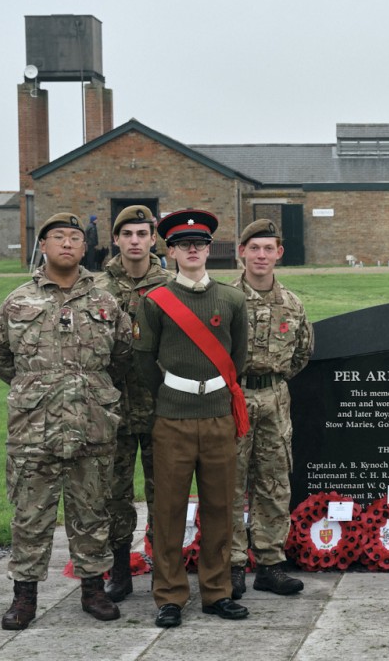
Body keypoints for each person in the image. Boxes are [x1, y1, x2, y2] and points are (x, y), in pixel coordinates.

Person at [0, 212, 131, 630]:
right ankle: (24, 596)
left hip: (92, 423)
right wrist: (38, 389)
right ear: (43, 246)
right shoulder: (17, 302)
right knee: (30, 515)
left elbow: (120, 356)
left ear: (85, 249)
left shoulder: (105, 301)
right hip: (35, 429)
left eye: (74, 238)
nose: (66, 243)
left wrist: (88, 388)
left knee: (92, 511)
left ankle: (93, 590)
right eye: (57, 237)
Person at [133, 210, 250, 628]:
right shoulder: (156, 302)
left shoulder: (232, 299)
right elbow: (145, 361)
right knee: (168, 511)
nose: (193, 250)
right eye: (184, 245)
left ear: (209, 249)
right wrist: (172, 394)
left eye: (199, 243)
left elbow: (238, 358)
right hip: (174, 419)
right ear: (171, 251)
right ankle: (169, 596)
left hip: (218, 416)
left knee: (220, 507)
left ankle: (216, 592)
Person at [230, 219, 314, 598]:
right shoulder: (224, 299)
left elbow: (301, 354)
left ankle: (269, 564)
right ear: (241, 252)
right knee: (229, 483)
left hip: (275, 401)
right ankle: (231, 565)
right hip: (232, 398)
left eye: (268, 248)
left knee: (274, 483)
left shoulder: (292, 304)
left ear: (279, 253)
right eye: (254, 248)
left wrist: (271, 384)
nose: (261, 255)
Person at [94, 205, 174, 601]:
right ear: (116, 239)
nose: (135, 241)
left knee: (165, 491)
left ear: (153, 238)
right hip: (115, 410)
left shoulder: (172, 284)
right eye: (127, 234)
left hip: (162, 405)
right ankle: (120, 569)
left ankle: (164, 567)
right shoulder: (97, 288)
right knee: (115, 493)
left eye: (142, 234)